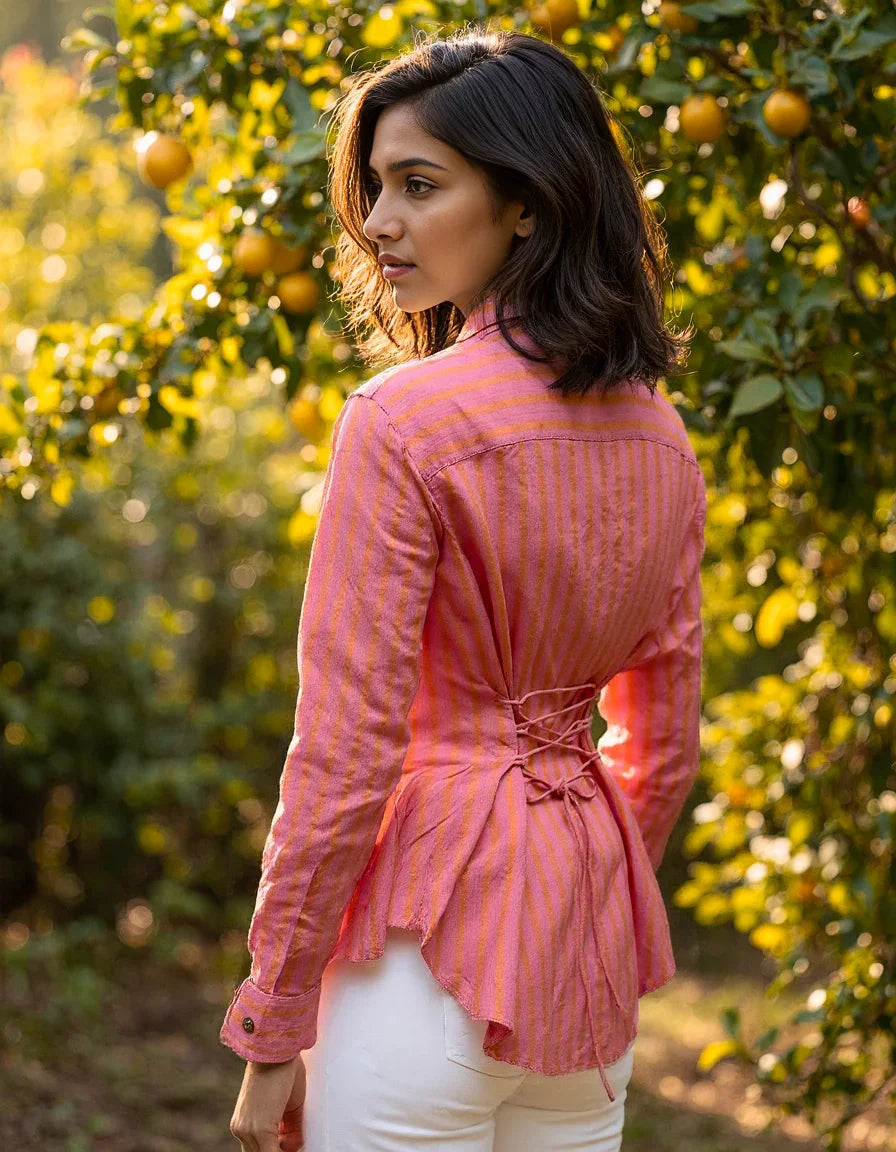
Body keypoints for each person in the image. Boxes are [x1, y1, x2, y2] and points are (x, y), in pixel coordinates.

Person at [223, 23, 706, 1152]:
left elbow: (343, 756)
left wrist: (268, 1026)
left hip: (415, 966)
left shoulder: (400, 422)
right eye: (374, 188)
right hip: (582, 974)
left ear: (527, 202)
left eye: (417, 185)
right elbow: (663, 737)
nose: (376, 222)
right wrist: (574, 877)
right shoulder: (662, 438)